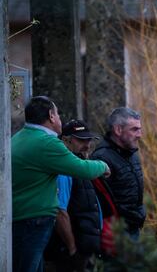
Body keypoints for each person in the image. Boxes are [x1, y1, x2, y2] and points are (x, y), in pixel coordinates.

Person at [12, 96, 110, 272]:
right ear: (51, 115)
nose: (59, 118)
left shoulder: (18, 137)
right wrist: (103, 166)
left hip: (21, 217)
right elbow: (82, 169)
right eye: (58, 114)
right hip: (34, 220)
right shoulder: (47, 142)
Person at [45, 119, 104, 271]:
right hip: (68, 253)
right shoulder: (64, 169)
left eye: (89, 139)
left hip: (84, 248)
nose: (88, 144)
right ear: (66, 140)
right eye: (82, 140)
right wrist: (72, 249)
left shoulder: (82, 165)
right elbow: (60, 212)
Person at [91, 107, 146, 237]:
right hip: (116, 233)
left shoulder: (131, 154)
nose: (140, 135)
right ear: (118, 130)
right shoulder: (102, 159)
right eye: (134, 129)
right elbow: (100, 203)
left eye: (140, 129)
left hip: (133, 227)